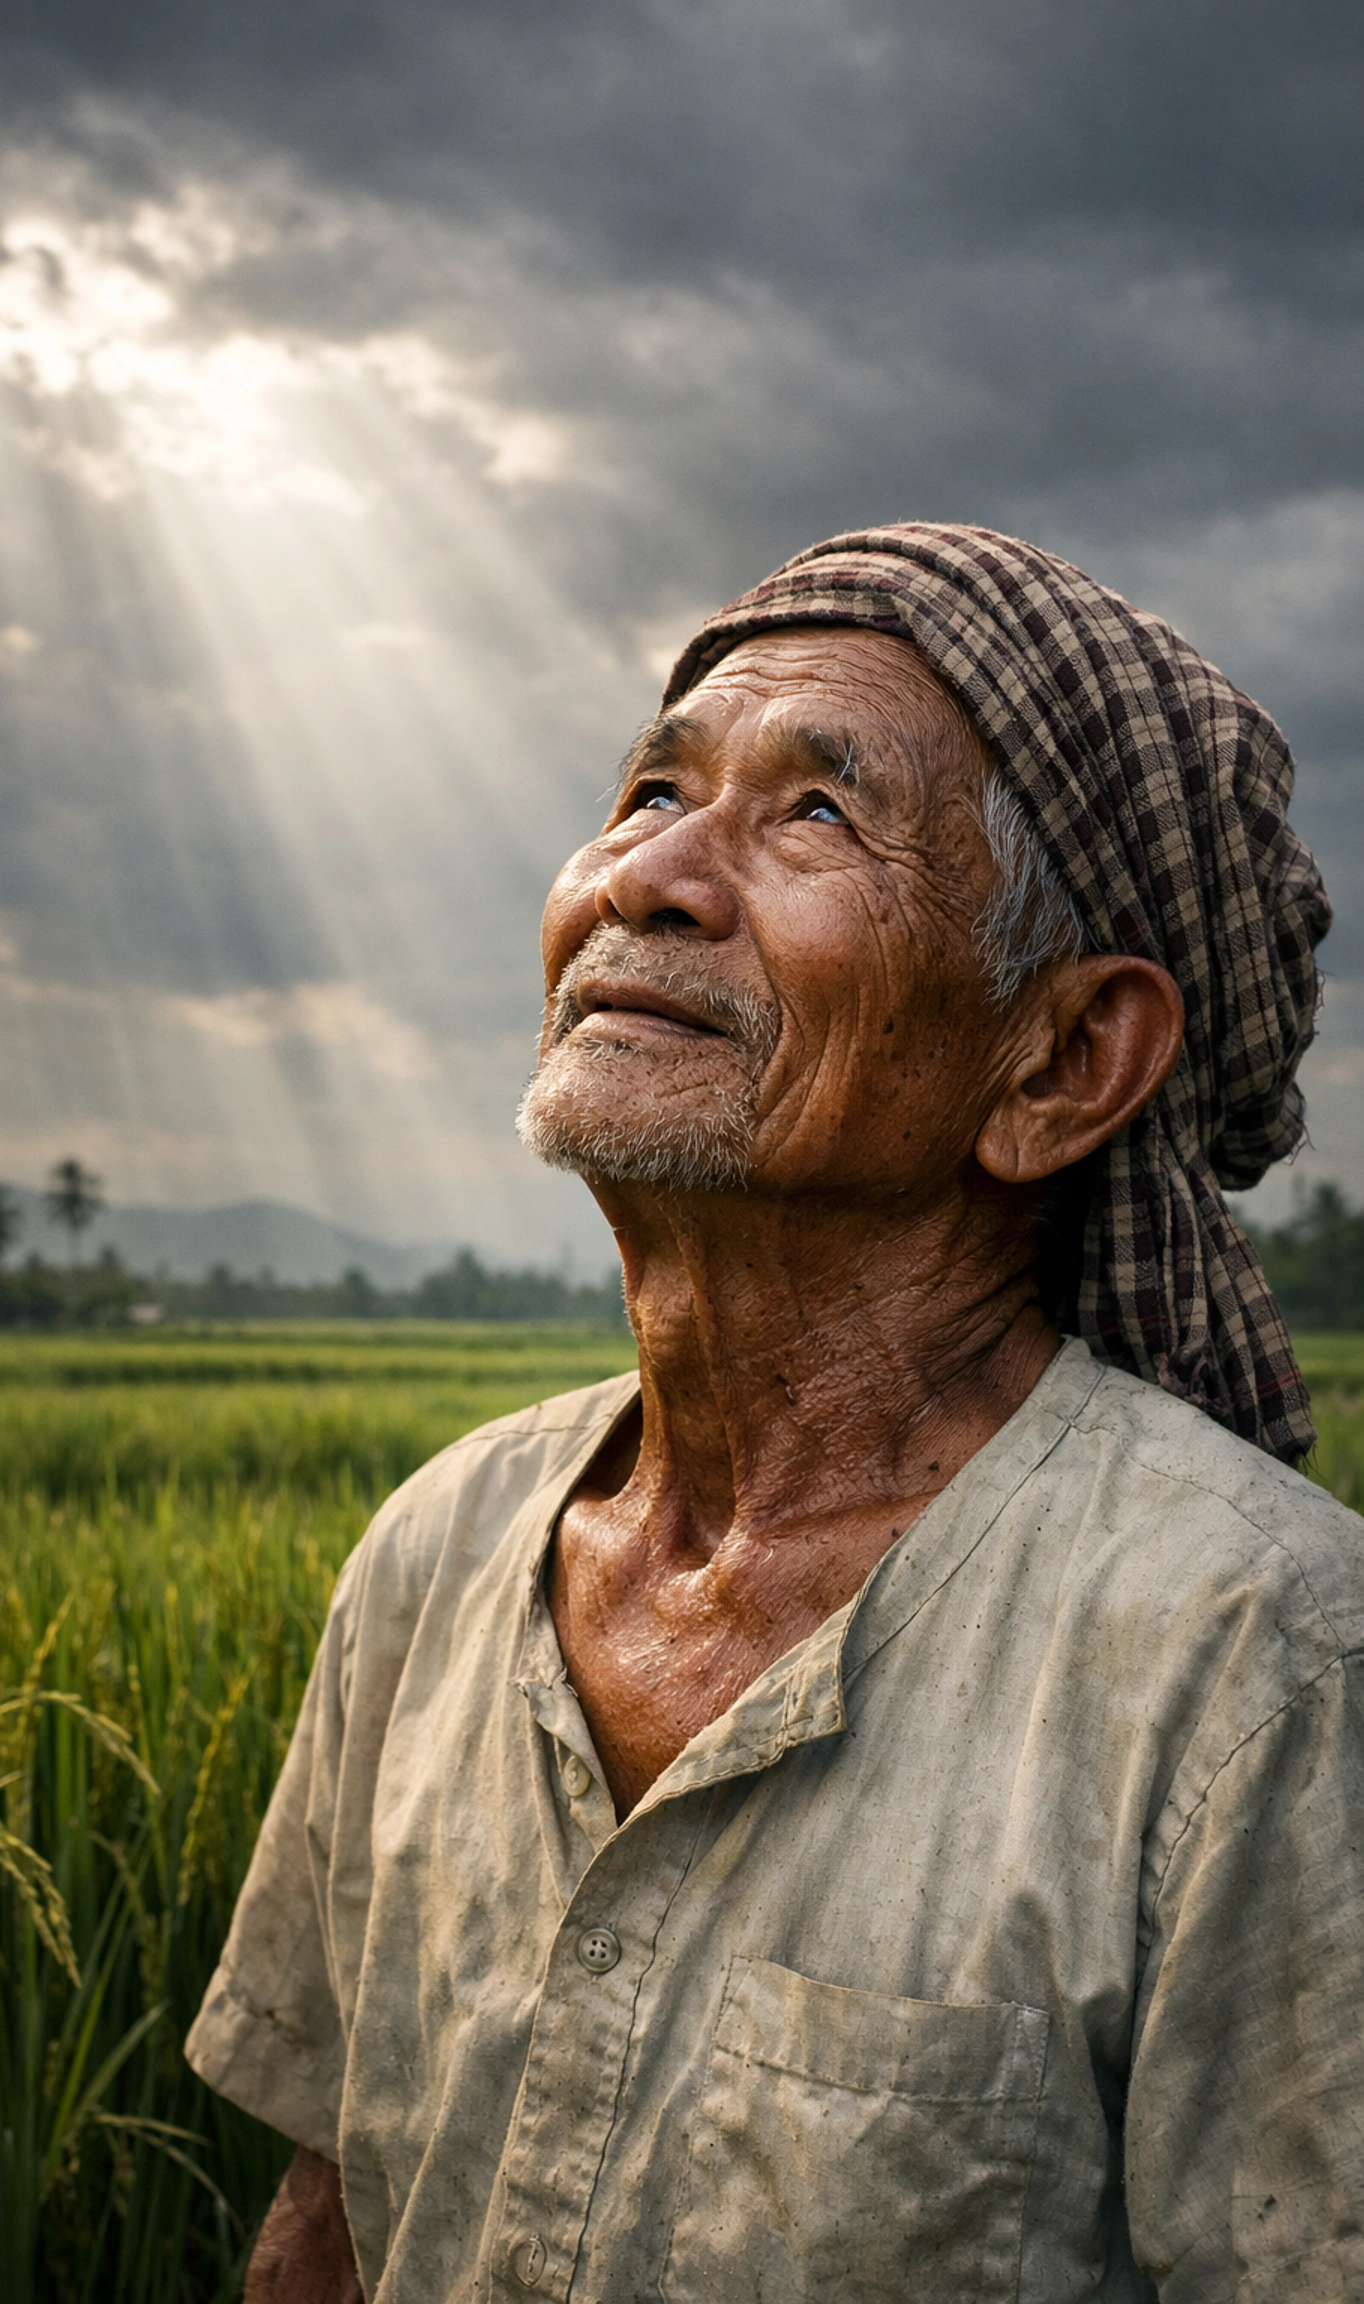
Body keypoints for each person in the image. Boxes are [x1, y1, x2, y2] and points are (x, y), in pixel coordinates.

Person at [186, 524, 1363, 2304]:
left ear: (1059, 1063)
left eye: (817, 814)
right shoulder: (444, 1547)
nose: (650, 876)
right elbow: (337, 2216)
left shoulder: (1263, 1666)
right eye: (651, 788)